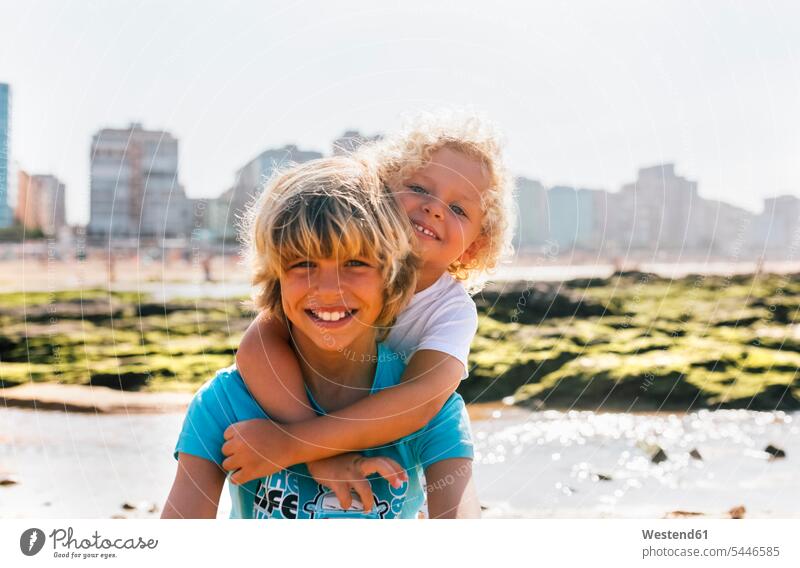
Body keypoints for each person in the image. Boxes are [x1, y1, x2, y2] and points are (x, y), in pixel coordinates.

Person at [162, 156, 479, 518]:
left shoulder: (433, 411)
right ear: (275, 278)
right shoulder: (226, 403)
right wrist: (320, 456)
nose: (328, 289)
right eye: (302, 263)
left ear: (394, 279)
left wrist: (294, 446)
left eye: (356, 263)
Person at [223, 112, 515, 499]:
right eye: (420, 188)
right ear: (382, 189)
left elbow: (421, 400)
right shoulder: (339, 272)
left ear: (476, 244)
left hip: (387, 460)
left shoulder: (451, 310)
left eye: (459, 209)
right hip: (305, 413)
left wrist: (293, 445)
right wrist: (314, 453)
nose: (434, 208)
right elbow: (260, 341)